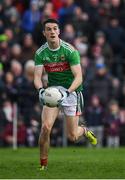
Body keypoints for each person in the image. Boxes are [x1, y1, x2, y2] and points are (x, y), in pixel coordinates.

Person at [34, 18, 97, 170]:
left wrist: (67, 93)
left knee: (73, 136)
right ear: (44, 33)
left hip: (72, 91)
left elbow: (79, 77)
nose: (52, 31)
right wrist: (41, 90)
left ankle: (85, 131)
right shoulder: (40, 53)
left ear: (59, 31)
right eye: (48, 29)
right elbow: (37, 77)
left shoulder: (70, 50)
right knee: (45, 127)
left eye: (55, 28)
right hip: (53, 91)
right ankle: (43, 165)